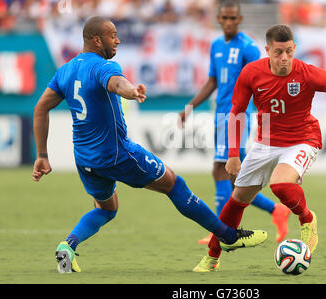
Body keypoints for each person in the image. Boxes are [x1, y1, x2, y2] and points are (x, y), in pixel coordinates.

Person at [31, 16, 267, 274]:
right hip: (117, 154)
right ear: (97, 40)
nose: (118, 40)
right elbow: (116, 83)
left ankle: (68, 245)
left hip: (86, 160)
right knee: (174, 184)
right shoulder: (101, 67)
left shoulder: (65, 70)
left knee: (106, 209)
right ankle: (228, 236)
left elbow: (41, 107)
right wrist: (131, 91)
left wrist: (42, 154)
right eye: (112, 36)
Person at [193, 24, 326, 272]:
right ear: (267, 50)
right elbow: (236, 113)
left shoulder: (307, 73)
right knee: (237, 200)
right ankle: (213, 256)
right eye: (279, 52)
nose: (284, 58)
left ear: (294, 49)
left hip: (303, 139)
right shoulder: (251, 73)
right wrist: (232, 155)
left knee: (280, 184)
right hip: (265, 142)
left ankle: (307, 218)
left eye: (289, 52)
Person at [178, 1, 291, 246]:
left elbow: (263, 81)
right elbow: (212, 81)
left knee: (220, 169)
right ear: (219, 18)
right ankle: (276, 211)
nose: (229, 22)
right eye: (225, 18)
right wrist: (189, 107)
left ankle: (220, 230)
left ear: (239, 20)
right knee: (234, 178)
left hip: (237, 116)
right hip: (221, 115)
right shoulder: (216, 45)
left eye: (233, 18)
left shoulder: (249, 47)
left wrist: (267, 114)